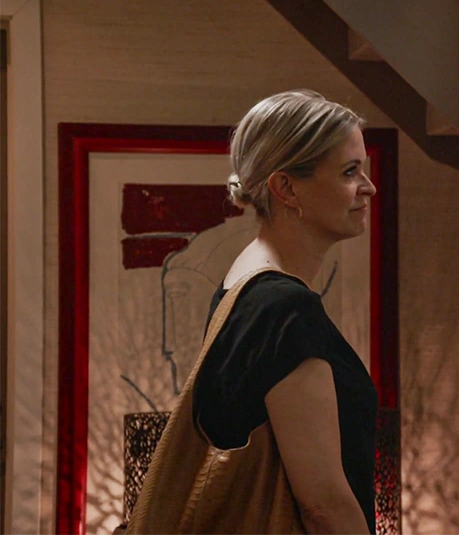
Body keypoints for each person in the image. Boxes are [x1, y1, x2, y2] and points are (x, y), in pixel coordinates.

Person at [124, 89, 378, 534]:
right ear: (286, 188)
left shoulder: (241, 283)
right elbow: (324, 507)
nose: (368, 186)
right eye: (349, 171)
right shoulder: (283, 309)